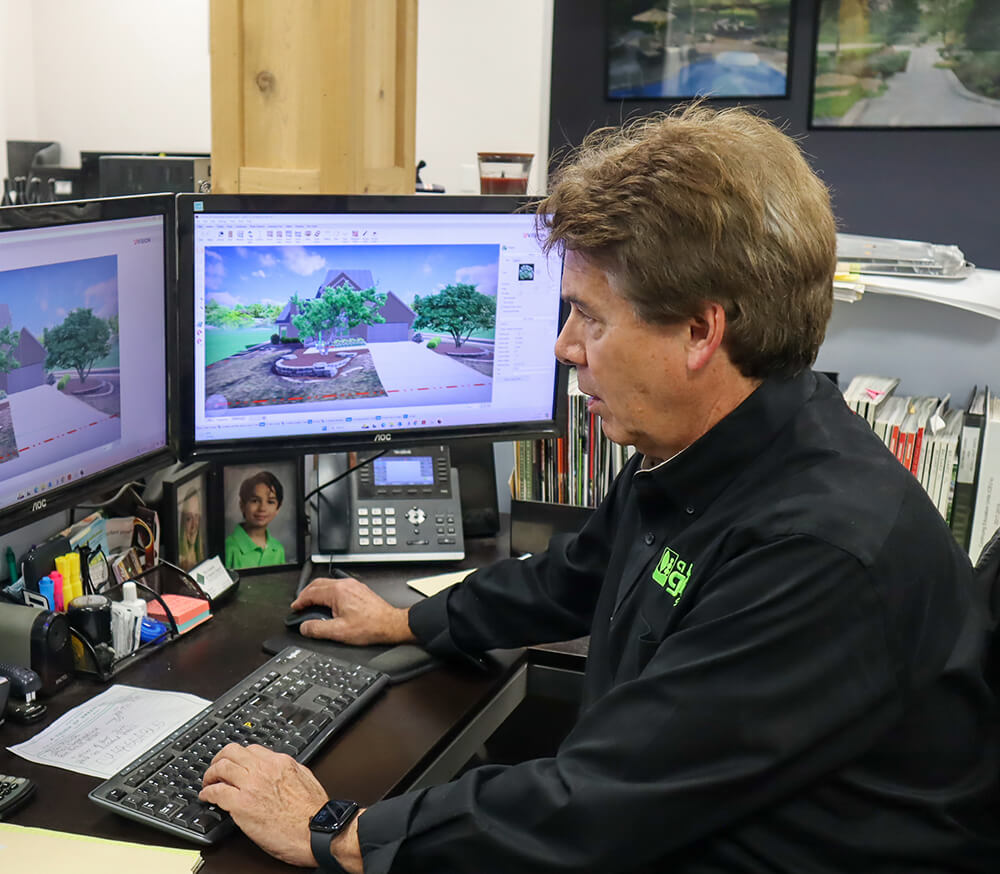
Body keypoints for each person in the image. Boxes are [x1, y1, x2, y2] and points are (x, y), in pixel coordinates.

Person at [200, 105, 999, 872]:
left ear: (699, 332)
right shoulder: (712, 446)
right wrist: (407, 619)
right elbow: (578, 572)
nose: (562, 346)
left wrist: (333, 831)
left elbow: (597, 804)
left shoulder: (815, 553)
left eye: (589, 316)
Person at [224, 470, 286, 570]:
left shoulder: (278, 549)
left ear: (278, 508)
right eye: (255, 501)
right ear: (242, 505)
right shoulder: (229, 548)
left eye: (270, 502)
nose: (262, 508)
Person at [177, 485, 204, 572]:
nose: (194, 526)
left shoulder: (204, 551)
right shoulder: (179, 560)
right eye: (188, 519)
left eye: (196, 516)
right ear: (182, 522)